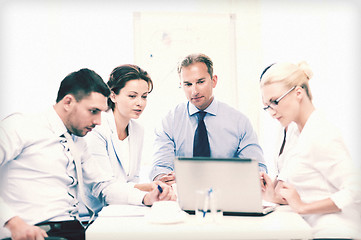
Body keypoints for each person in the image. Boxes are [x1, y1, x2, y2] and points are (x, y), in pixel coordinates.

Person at [0, 68, 174, 240]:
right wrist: (14, 223)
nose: (98, 121)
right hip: (33, 231)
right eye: (93, 111)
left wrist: (146, 197)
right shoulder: (20, 126)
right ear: (68, 102)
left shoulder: (78, 142)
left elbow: (105, 186)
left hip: (72, 230)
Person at [259, 61, 361, 239]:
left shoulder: (322, 133)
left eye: (275, 102)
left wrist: (302, 207)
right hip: (309, 228)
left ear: (298, 93)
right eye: (267, 105)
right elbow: (309, 189)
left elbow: (355, 190)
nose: (272, 112)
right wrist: (273, 195)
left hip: (335, 231)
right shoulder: (296, 133)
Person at [150, 53, 266, 183]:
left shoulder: (239, 122)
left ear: (214, 80)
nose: (194, 91)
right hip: (180, 194)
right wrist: (164, 179)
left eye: (200, 82)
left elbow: (256, 169)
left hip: (227, 194)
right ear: (181, 85)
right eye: (188, 84)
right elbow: (160, 168)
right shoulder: (169, 121)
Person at [79, 64, 176, 219]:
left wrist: (154, 186)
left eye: (144, 96)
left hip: (122, 209)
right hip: (94, 215)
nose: (140, 103)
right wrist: (146, 190)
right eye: (132, 96)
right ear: (113, 95)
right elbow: (104, 188)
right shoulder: (97, 128)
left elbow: (132, 180)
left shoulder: (137, 130)